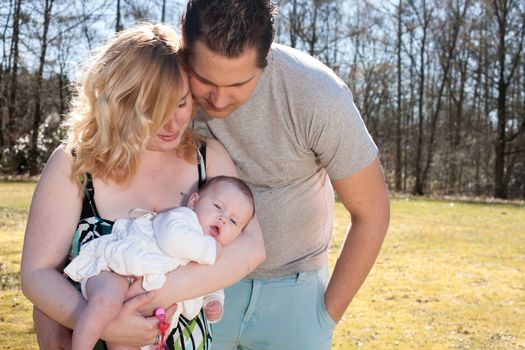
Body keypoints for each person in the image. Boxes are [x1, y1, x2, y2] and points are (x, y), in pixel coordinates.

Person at [20, 22, 265, 350]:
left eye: (180, 103)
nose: (172, 122)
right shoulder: (76, 164)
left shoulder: (208, 157)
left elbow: (252, 248)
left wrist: (158, 294)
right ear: (120, 102)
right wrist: (101, 321)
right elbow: (36, 274)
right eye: (153, 109)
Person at [180, 1, 390, 349]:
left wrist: (323, 317)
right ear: (184, 43)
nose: (217, 99)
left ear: (266, 60)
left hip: (295, 299)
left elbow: (372, 212)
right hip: (196, 285)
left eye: (237, 83)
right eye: (203, 79)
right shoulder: (162, 82)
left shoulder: (318, 95)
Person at [63, 175, 256, 350]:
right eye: (217, 207)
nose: (223, 218)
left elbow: (213, 283)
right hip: (117, 270)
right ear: (194, 202)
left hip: (147, 306)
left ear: (237, 235)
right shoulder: (183, 219)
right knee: (105, 303)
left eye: (233, 221)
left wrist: (214, 301)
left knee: (126, 340)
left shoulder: (212, 253)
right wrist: (210, 250)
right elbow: (171, 238)